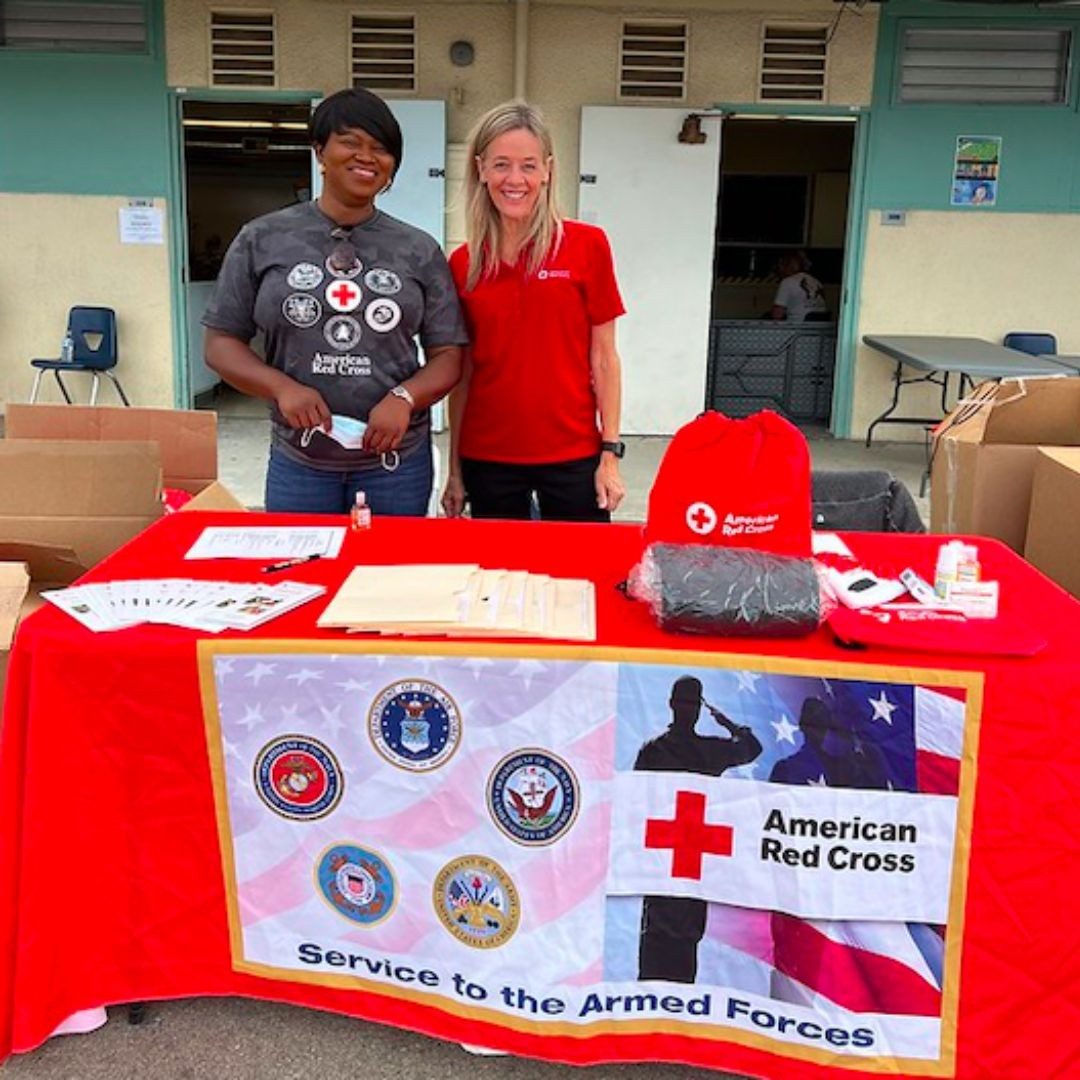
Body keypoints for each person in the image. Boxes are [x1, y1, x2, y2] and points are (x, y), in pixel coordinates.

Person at [203, 87, 467, 516]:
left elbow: (449, 356)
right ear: (319, 150)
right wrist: (281, 387)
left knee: (388, 579)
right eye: (350, 142)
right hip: (300, 461)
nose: (366, 156)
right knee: (301, 575)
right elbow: (220, 344)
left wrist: (404, 397)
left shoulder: (418, 250)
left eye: (381, 149)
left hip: (395, 464)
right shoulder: (261, 238)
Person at [440, 100, 626, 523]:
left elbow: (604, 358)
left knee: (580, 578)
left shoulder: (587, 246)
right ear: (481, 169)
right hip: (488, 457)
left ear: (547, 170)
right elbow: (462, 374)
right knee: (496, 582)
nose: (515, 179)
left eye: (528, 165)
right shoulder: (464, 264)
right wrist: (454, 470)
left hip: (574, 456)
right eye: (501, 164)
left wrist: (609, 454)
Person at [635, 675, 762, 983]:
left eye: (690, 703)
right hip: (681, 862)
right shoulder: (706, 751)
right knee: (675, 945)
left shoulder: (653, 750)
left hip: (673, 861)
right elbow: (751, 747)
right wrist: (727, 723)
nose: (687, 709)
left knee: (669, 947)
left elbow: (635, 803)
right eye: (687, 703)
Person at [770, 696, 888, 790]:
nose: (816, 731)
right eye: (813, 725)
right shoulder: (785, 769)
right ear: (802, 727)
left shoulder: (855, 766)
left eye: (820, 725)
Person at [770, 251, 828, 323]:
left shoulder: (787, 282)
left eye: (780, 265)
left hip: (797, 329)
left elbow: (777, 315)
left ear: (785, 265)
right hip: (818, 330)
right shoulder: (817, 282)